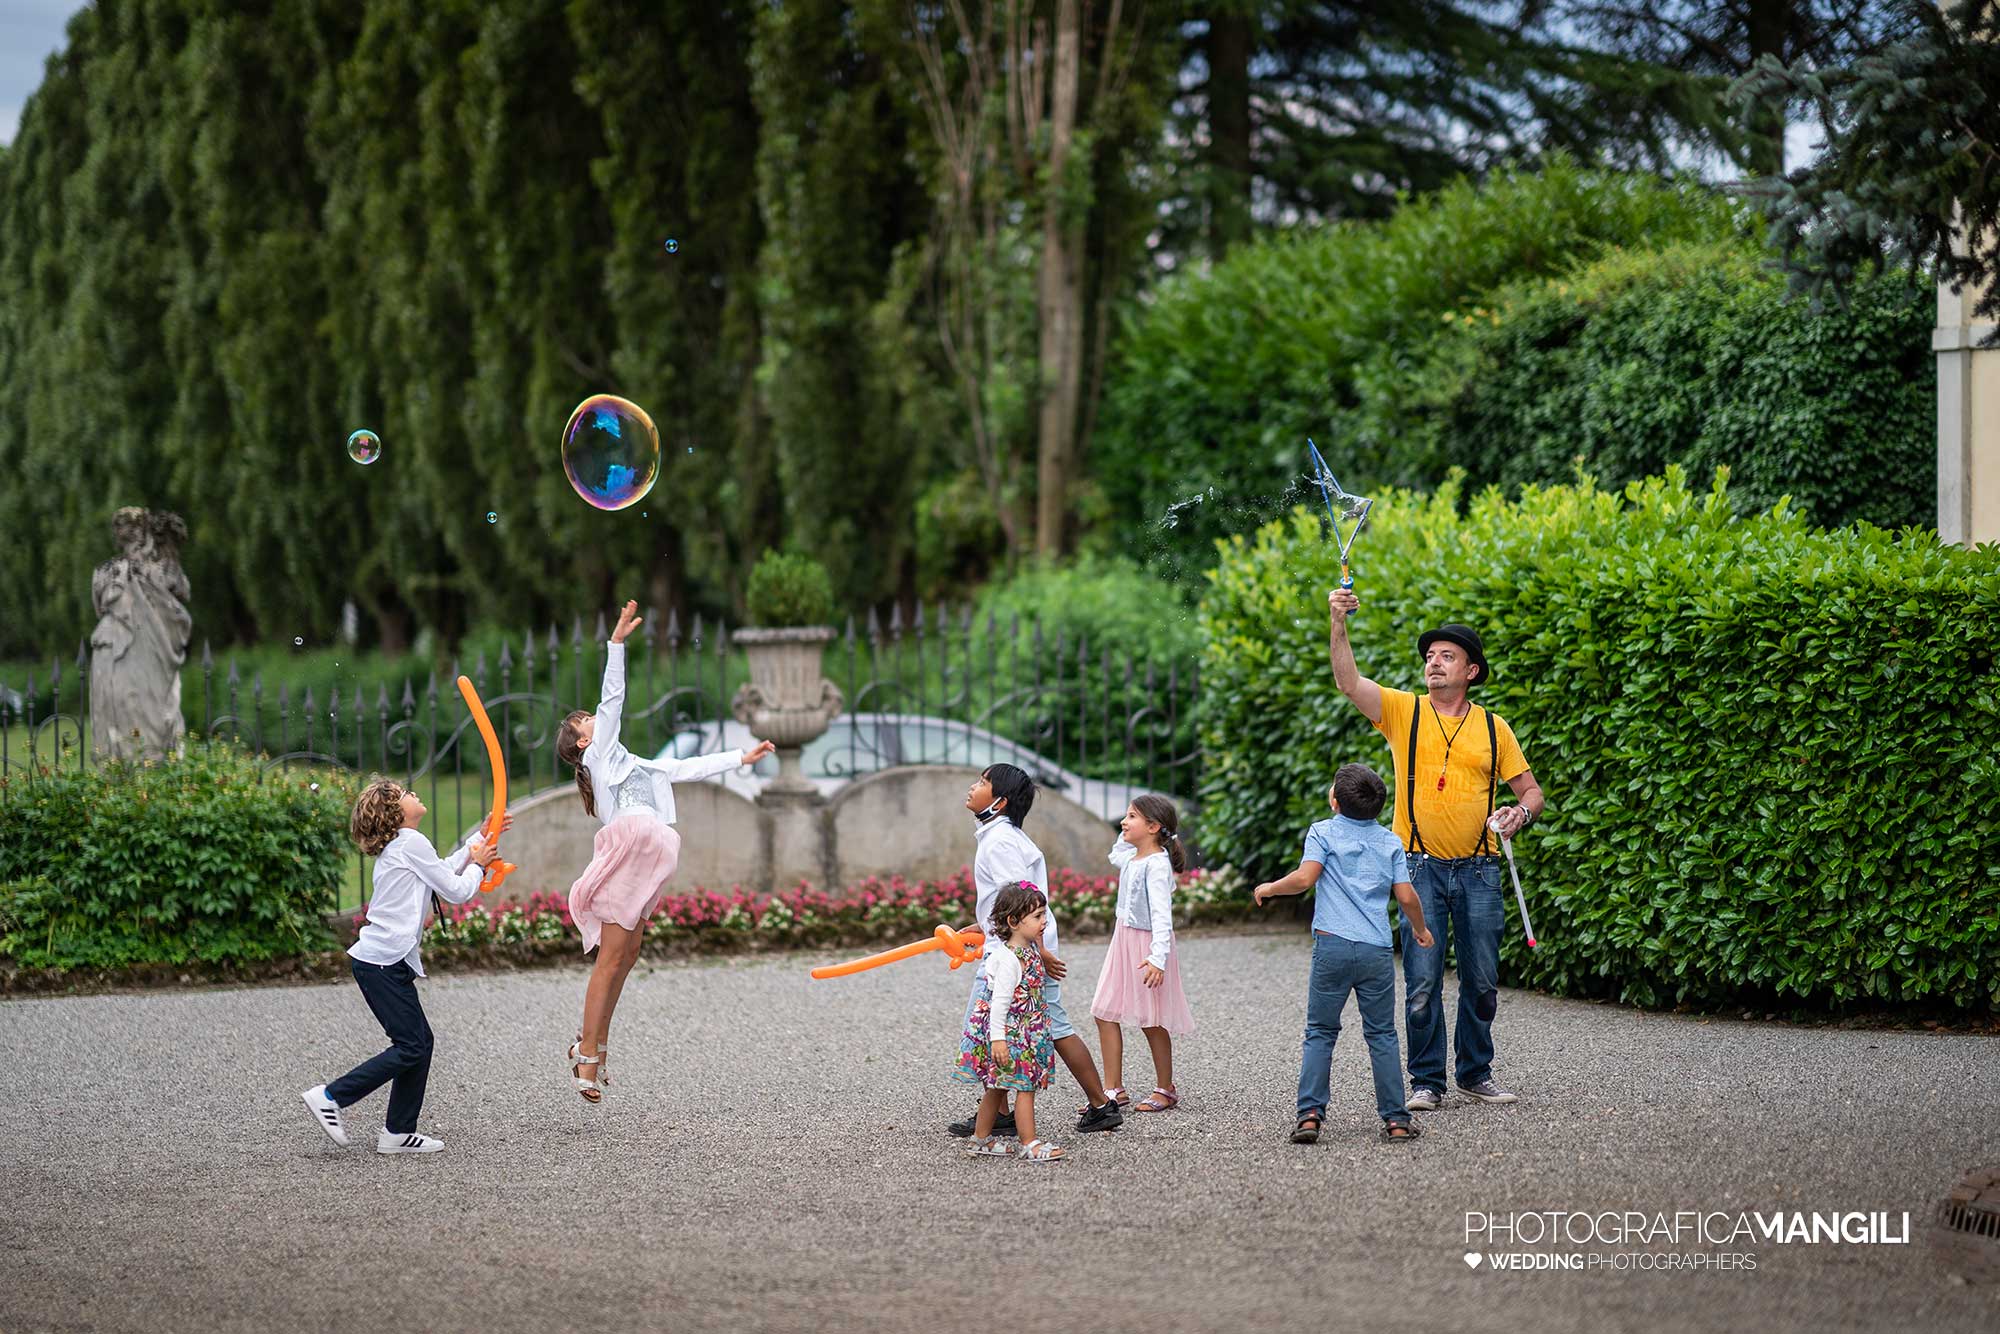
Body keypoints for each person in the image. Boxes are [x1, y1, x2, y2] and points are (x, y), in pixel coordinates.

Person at [1327, 588, 1546, 1109]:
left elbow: (1531, 792)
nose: (1434, 662)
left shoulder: (1496, 728)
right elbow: (1347, 682)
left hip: (1480, 870)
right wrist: (1338, 622)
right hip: (1418, 868)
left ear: (1471, 671)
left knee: (1483, 981)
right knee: (1422, 983)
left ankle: (1476, 1072)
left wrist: (1521, 814)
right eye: (1430, 656)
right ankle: (1427, 1081)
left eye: (1447, 656)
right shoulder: (1406, 713)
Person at [554, 599, 774, 1102]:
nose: (597, 721)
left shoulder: (634, 764)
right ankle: (586, 1059)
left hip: (650, 850)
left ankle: (595, 1046)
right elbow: (613, 701)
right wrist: (615, 647)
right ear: (584, 745)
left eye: (591, 719)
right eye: (587, 723)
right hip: (630, 850)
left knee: (628, 954)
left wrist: (743, 756)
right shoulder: (601, 761)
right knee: (610, 959)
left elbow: (689, 768)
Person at [301, 778, 502, 1155]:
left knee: (419, 1043)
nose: (414, 793)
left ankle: (398, 1132)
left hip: (382, 963)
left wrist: (479, 838)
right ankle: (331, 1096)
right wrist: (478, 865)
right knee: (412, 1045)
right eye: (406, 792)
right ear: (395, 810)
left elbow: (440, 868)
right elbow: (456, 891)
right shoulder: (410, 842)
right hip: (381, 963)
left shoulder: (406, 846)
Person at [1254, 765, 1435, 1144]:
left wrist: (1270, 888)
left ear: (1335, 800)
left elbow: (1304, 879)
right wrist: (1420, 930)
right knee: (1383, 1034)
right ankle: (1397, 1120)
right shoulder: (1390, 841)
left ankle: (1309, 1115)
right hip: (1375, 951)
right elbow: (1405, 896)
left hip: (1332, 945)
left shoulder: (1322, 831)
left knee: (1320, 1031)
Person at [945, 764, 1125, 1138]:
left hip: (1017, 951)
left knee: (988, 1026)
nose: (972, 786)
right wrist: (985, 924)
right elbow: (1012, 898)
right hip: (1019, 943)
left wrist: (1035, 950)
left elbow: (1024, 899)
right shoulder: (1002, 836)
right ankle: (1095, 1105)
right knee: (1048, 1024)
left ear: (999, 802)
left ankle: (1081, 1107)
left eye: (981, 783)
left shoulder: (1000, 842)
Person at [1089, 795, 1197, 1115]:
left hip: (1147, 947)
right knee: (1103, 1010)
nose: (1124, 821)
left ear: (1152, 827)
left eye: (1132, 816)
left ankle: (1166, 1087)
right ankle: (1113, 1089)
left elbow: (1163, 919)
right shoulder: (1133, 857)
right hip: (1123, 940)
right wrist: (1130, 831)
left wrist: (1157, 959)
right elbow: (1117, 851)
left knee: (1151, 1019)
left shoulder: (1156, 865)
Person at [953, 883, 1063, 1162]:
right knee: (1025, 1087)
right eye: (1037, 916)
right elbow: (999, 1004)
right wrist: (998, 1040)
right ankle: (1030, 1143)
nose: (1044, 922)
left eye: (1043, 915)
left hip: (1024, 1032)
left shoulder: (1027, 950)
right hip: (1012, 1036)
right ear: (1014, 921)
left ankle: (981, 1139)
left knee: (998, 1086)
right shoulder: (1009, 959)